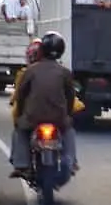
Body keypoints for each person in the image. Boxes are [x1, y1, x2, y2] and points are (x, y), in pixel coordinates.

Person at [10, 31, 78, 177]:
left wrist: (20, 116)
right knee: (69, 130)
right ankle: (71, 161)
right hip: (58, 118)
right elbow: (71, 97)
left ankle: (21, 164)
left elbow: (20, 96)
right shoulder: (65, 72)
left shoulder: (30, 71)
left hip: (32, 117)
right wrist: (68, 115)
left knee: (19, 130)